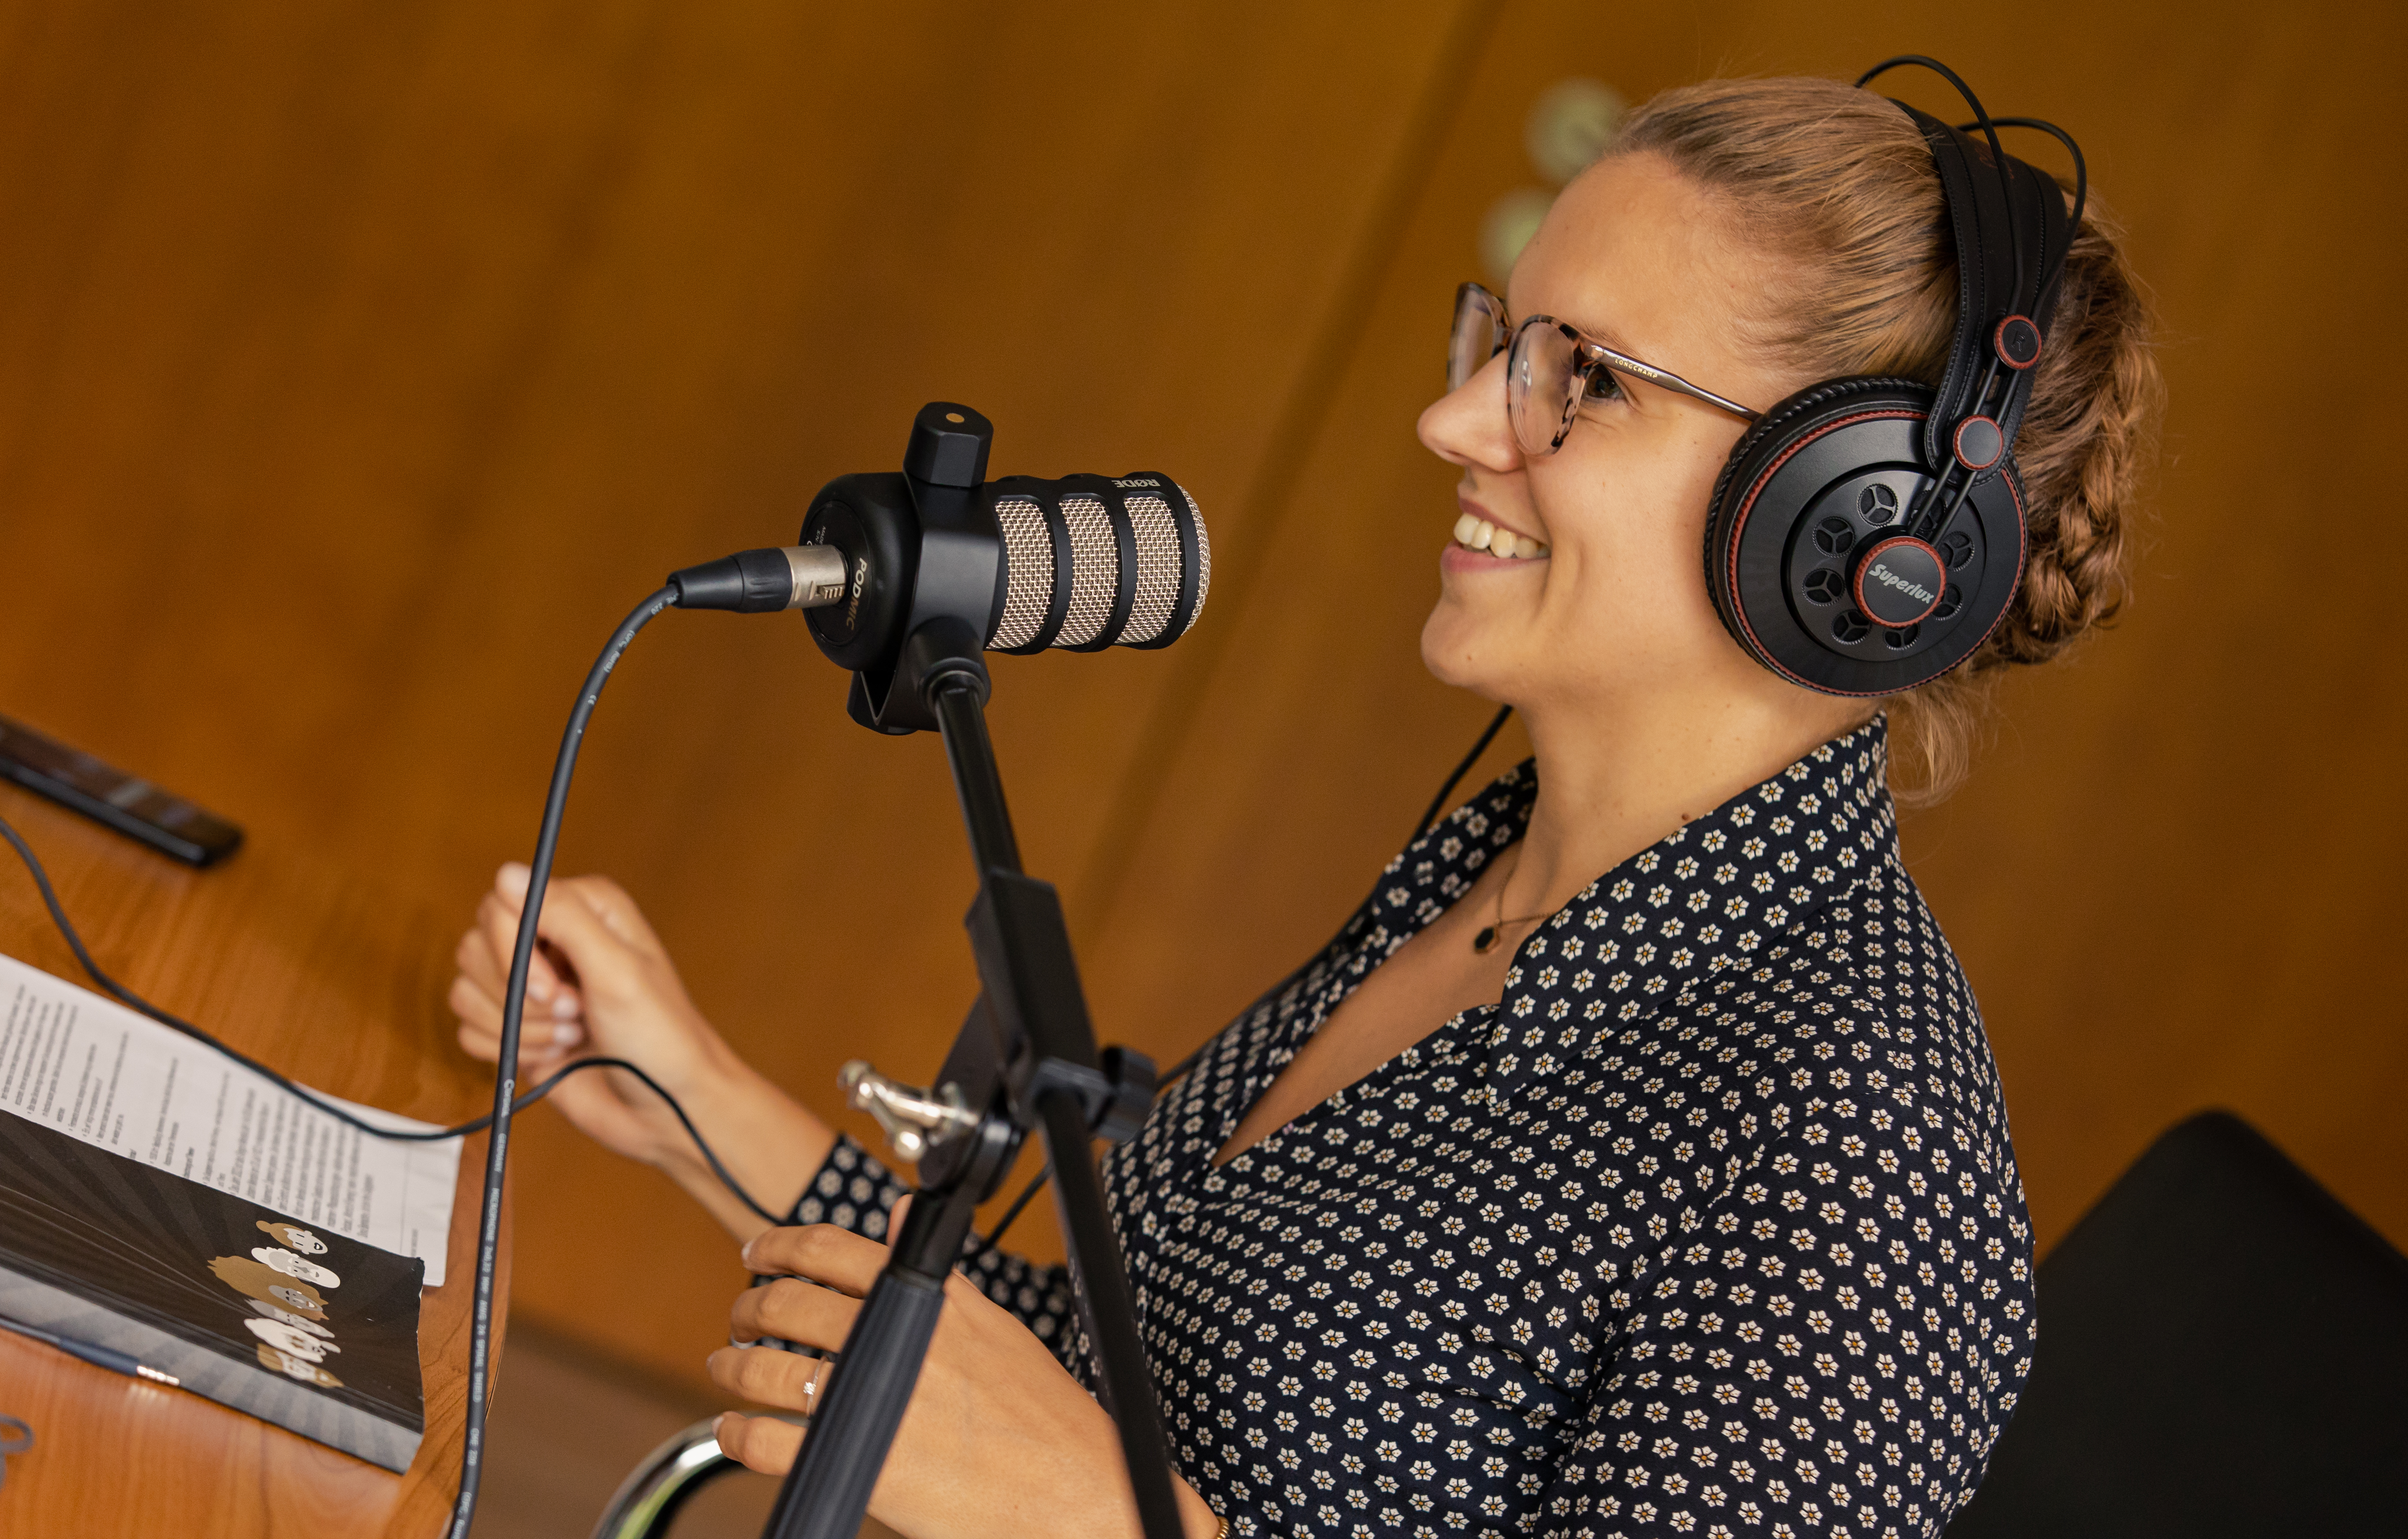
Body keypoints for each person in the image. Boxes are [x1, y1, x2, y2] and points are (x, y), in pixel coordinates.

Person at [450, 73, 2158, 1539]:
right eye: (1504, 339)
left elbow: (1081, 1482)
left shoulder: (1858, 1168)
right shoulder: (1488, 877)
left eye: (1591, 381)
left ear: (1851, 539)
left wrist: (1094, 1522)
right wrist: (686, 1095)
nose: (1450, 419)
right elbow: (1123, 1387)